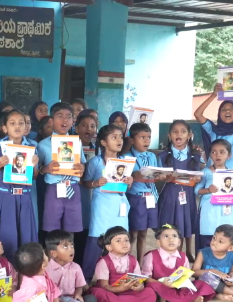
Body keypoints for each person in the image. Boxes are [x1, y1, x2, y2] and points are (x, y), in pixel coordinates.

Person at [194, 79, 233, 274]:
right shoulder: (212, 130)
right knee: (213, 219)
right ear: (219, 113)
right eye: (223, 109)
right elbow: (198, 114)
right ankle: (210, 256)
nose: (228, 111)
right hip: (213, 182)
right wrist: (214, 95)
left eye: (232, 108)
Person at [0, 110, 40, 260]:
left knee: (26, 238)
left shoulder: (31, 148)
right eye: (12, 123)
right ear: (4, 128)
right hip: (6, 197)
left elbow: (34, 177)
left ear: (26, 127)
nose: (17, 127)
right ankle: (6, 272)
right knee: (6, 237)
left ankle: (27, 274)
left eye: (21, 123)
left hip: (24, 197)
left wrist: (35, 166)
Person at [81, 124, 133, 280]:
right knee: (97, 238)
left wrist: (129, 182)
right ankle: (87, 278)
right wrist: (95, 183)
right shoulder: (96, 162)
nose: (119, 140)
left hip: (119, 204)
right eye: (114, 137)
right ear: (103, 142)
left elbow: (125, 186)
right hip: (101, 205)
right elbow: (85, 182)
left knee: (121, 236)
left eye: (120, 137)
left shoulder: (125, 162)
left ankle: (120, 275)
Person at [37, 103, 87, 236]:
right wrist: (45, 169)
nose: (65, 121)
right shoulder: (43, 145)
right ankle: (52, 256)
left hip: (73, 188)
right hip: (54, 189)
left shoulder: (77, 142)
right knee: (52, 230)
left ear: (73, 121)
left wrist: (82, 168)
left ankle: (68, 256)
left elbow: (83, 164)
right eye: (60, 116)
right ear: (52, 121)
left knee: (71, 230)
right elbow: (36, 170)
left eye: (69, 117)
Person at [158, 120, 201, 260]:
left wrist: (197, 179)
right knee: (171, 223)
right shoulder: (163, 156)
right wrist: (165, 178)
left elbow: (199, 176)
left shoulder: (195, 155)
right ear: (169, 136)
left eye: (183, 131)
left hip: (187, 194)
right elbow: (159, 176)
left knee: (186, 222)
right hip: (170, 195)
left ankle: (184, 254)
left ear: (189, 135)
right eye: (175, 131)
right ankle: (170, 254)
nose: (179, 134)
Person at [88, 226, 156, 302]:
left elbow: (139, 281)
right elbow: (104, 286)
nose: (124, 243)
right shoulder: (104, 262)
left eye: (126, 240)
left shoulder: (133, 260)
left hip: (129, 291)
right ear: (109, 247)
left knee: (150, 292)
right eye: (118, 240)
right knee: (99, 293)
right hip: (111, 292)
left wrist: (140, 287)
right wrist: (120, 288)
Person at [142, 224, 215, 302]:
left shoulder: (183, 257)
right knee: (151, 287)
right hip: (160, 285)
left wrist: (180, 284)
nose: (171, 239)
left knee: (201, 284)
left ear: (179, 242)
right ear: (159, 242)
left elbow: (185, 275)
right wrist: (163, 284)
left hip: (177, 287)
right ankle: (189, 298)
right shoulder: (151, 256)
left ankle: (167, 297)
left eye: (174, 236)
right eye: (166, 236)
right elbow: (145, 278)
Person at [126, 123, 165, 260]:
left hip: (151, 197)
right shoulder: (126, 158)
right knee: (133, 234)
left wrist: (161, 175)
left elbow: (158, 173)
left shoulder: (152, 156)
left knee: (144, 232)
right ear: (131, 139)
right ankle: (128, 262)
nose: (146, 140)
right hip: (136, 198)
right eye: (142, 137)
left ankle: (140, 263)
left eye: (148, 137)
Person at [195, 139, 233, 252]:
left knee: (226, 235)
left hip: (226, 211)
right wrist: (208, 190)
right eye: (214, 152)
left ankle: (223, 264)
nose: (217, 155)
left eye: (222, 152)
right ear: (210, 154)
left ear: (229, 155)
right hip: (210, 210)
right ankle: (205, 263)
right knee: (209, 235)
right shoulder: (206, 172)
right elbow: (196, 190)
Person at [193, 225, 233, 302]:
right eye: (214, 238)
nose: (214, 242)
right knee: (206, 276)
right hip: (208, 283)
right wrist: (214, 271)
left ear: (230, 248)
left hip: (224, 284)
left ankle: (222, 293)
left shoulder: (232, 256)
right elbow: (194, 272)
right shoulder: (203, 253)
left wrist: (232, 277)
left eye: (220, 241)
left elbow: (232, 271)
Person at [44, 229, 97, 302]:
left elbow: (79, 286)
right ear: (53, 253)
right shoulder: (46, 269)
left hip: (71, 301)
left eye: (72, 245)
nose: (71, 249)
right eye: (65, 246)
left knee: (91, 299)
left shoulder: (76, 267)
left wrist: (78, 294)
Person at [74, 110, 99, 268]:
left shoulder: (100, 150)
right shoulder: (68, 147)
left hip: (93, 195)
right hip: (75, 192)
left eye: (92, 126)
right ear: (76, 128)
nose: (87, 129)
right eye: (83, 125)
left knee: (89, 229)